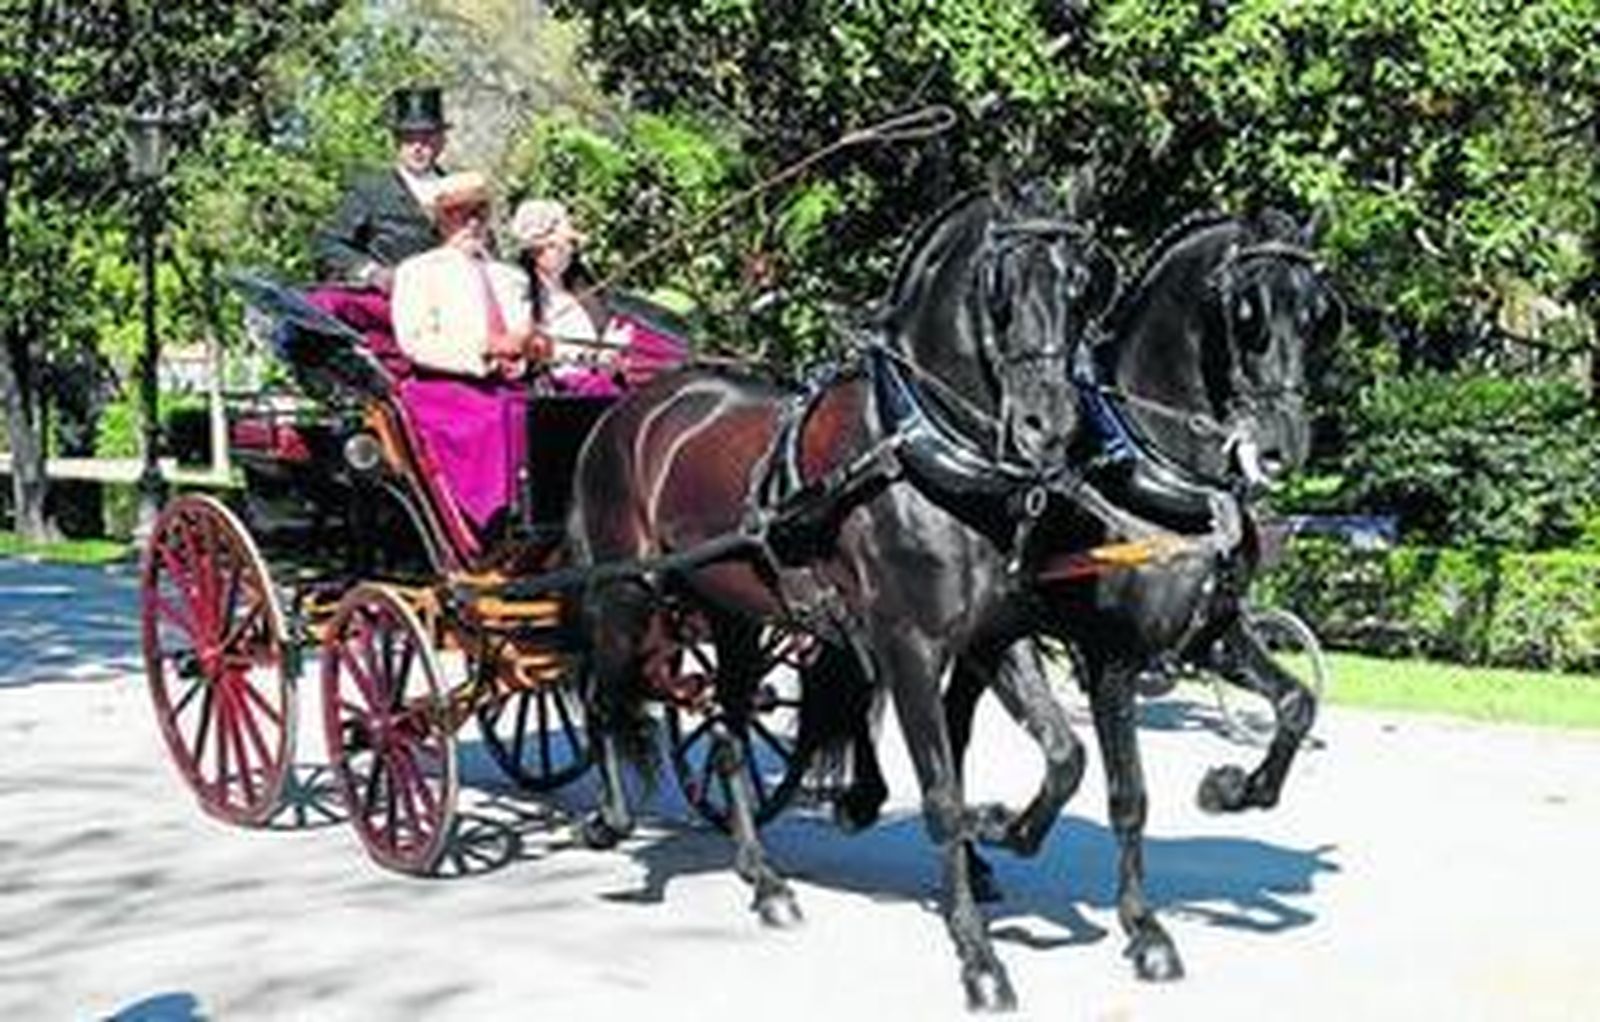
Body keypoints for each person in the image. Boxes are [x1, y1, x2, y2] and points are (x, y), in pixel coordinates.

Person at [390, 171, 547, 539]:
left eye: (479, 212)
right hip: (443, 390)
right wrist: (483, 348)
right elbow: (415, 342)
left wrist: (530, 349)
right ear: (443, 220)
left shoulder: (511, 277)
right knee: (498, 422)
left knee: (554, 417)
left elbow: (522, 334)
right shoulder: (418, 272)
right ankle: (495, 523)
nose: (472, 222)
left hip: (509, 385)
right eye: (461, 214)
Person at [510, 198, 685, 395]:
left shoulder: (582, 288)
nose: (570, 253)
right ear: (540, 250)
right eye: (563, 246)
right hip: (565, 400)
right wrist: (596, 357)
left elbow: (604, 343)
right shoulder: (522, 297)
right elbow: (534, 358)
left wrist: (613, 353)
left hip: (601, 386)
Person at [314, 86, 451, 292]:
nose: (418, 147)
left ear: (441, 140)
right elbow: (328, 244)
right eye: (409, 138)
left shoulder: (459, 189)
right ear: (396, 141)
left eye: (426, 137)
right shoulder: (371, 191)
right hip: (387, 304)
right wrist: (371, 272)